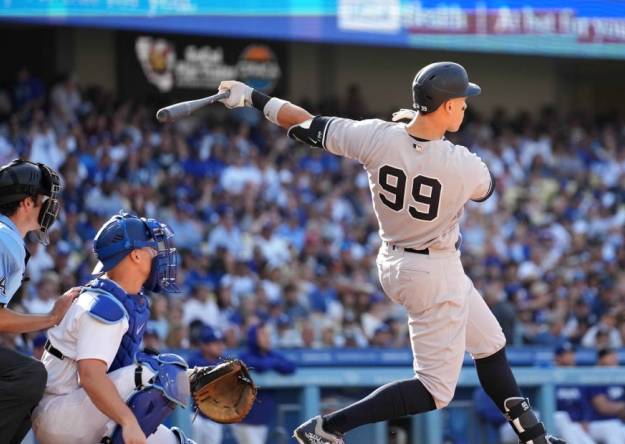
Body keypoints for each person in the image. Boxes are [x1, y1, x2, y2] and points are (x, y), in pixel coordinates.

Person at [217, 61, 565, 444]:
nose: (466, 105)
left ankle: (533, 436)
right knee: (434, 391)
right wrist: (419, 133)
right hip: (432, 272)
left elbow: (305, 124)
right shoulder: (463, 164)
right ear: (446, 105)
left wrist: (252, 97)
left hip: (397, 259)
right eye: (461, 100)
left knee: (490, 344)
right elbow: (488, 187)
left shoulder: (377, 136)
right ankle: (328, 428)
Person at [31, 212, 196, 444]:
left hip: (80, 408)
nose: (158, 256)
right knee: (154, 372)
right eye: (152, 250)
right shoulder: (104, 305)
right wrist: (128, 422)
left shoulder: (121, 299)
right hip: (59, 414)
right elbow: (90, 376)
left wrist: (191, 378)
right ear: (136, 255)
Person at [0, 159, 78, 444]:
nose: (51, 205)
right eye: (45, 198)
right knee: (30, 373)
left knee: (29, 388)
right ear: (27, 203)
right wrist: (51, 317)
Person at [233, 322, 296, 444]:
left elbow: (291, 367)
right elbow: (260, 366)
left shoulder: (271, 354)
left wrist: (274, 362)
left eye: (268, 334)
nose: (267, 337)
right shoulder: (245, 356)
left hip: (262, 419)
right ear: (253, 338)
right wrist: (274, 363)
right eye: (262, 334)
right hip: (246, 419)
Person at [585, 349, 625, 444]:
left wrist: (624, 407)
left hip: (617, 424)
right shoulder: (595, 376)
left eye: (615, 357)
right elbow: (603, 407)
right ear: (600, 360)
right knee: (612, 431)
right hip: (596, 424)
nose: (614, 360)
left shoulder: (619, 378)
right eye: (611, 357)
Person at [187, 324, 228, 444]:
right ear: (204, 346)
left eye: (220, 342)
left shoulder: (224, 359)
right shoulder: (194, 360)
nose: (220, 346)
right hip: (195, 414)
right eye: (215, 343)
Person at [552, 343, 594, 444]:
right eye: (566, 355)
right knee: (562, 418)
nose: (571, 357)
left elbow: (586, 403)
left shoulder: (578, 378)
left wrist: (586, 419)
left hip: (576, 425)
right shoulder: (551, 375)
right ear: (557, 358)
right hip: (555, 423)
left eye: (572, 354)